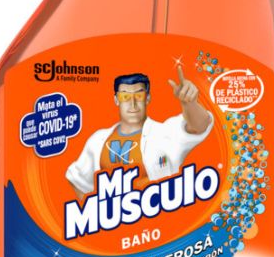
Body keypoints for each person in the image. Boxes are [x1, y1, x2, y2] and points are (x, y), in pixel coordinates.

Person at [65, 66, 213, 194]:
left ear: (147, 98)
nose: (133, 103)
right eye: (125, 96)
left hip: (158, 216)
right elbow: (77, 180)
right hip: (111, 216)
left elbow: (200, 126)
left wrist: (190, 104)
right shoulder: (98, 140)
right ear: (116, 100)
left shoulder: (165, 133)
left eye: (139, 95)